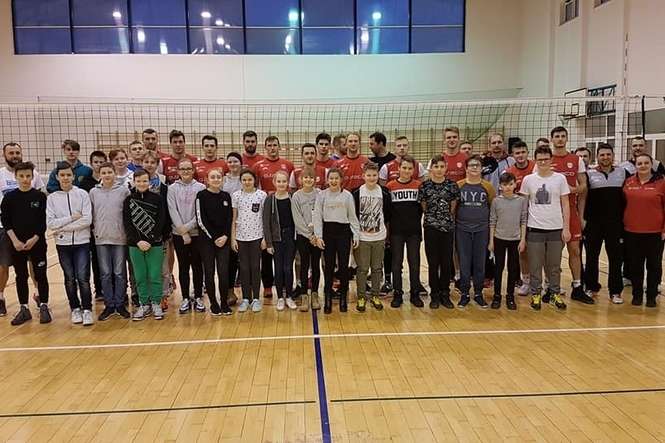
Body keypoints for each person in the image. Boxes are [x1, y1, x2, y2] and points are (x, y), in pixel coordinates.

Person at [520, 145, 570, 311]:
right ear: (535, 160)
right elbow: (524, 207)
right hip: (534, 228)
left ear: (551, 160)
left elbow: (565, 204)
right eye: (539, 160)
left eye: (546, 159)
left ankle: (554, 293)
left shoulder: (560, 179)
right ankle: (536, 294)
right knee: (535, 265)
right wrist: (522, 232)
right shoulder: (528, 180)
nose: (543, 162)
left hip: (556, 228)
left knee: (554, 265)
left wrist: (566, 228)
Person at [0, 143, 46, 317]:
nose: (15, 155)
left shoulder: (35, 180)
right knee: (7, 267)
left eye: (17, 152)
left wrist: (36, 235)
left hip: (33, 234)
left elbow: (40, 210)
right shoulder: (2, 179)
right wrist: (13, 237)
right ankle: (4, 299)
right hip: (9, 232)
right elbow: (5, 216)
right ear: (4, 155)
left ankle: (40, 298)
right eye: (11, 153)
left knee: (36, 268)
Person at [46, 162, 94, 325]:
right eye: (62, 175)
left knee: (83, 278)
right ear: (57, 177)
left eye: (68, 175)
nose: (65, 178)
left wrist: (62, 227)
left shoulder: (82, 194)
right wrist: (72, 218)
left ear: (73, 176)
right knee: (69, 278)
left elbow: (87, 220)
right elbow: (51, 223)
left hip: (82, 242)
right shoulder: (52, 199)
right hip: (63, 245)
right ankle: (75, 308)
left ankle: (87, 309)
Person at [550, 126, 592, 304]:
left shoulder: (576, 160)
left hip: (572, 212)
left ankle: (577, 287)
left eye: (563, 136)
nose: (560, 139)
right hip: (552, 213)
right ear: (552, 139)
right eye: (557, 136)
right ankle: (551, 287)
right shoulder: (547, 159)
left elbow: (583, 186)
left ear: (567, 138)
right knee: (553, 254)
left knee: (575, 250)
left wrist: (572, 190)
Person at [584, 143, 629, 304]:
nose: (605, 157)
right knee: (591, 257)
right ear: (597, 157)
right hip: (593, 223)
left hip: (615, 223)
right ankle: (591, 287)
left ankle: (615, 292)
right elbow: (584, 199)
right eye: (602, 155)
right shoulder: (589, 174)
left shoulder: (622, 172)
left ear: (613, 156)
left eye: (608, 154)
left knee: (616, 258)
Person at [253, 136, 295, 298]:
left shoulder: (288, 165)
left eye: (275, 145)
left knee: (285, 264)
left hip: (285, 213)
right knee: (267, 256)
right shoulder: (258, 166)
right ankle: (268, 286)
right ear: (265, 147)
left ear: (279, 146)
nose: (272, 148)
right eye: (269, 145)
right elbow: (254, 187)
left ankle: (286, 289)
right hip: (268, 209)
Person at [314, 168, 360, 314]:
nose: (333, 181)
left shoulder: (347, 196)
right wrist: (318, 236)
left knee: (344, 266)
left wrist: (356, 234)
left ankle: (343, 298)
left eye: (336, 178)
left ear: (341, 180)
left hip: (343, 232)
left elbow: (352, 217)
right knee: (328, 266)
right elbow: (317, 216)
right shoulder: (321, 195)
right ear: (327, 180)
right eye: (331, 178)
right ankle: (327, 297)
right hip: (328, 232)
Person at [123, 169, 167, 321]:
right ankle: (144, 304)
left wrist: (150, 239)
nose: (142, 183)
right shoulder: (128, 200)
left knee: (155, 275)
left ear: (149, 182)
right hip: (135, 245)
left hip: (154, 244)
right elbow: (127, 223)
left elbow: (161, 220)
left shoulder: (157, 199)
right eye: (139, 181)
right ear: (134, 182)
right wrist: (138, 241)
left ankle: (156, 303)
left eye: (145, 181)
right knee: (140, 276)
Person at [89, 162, 131, 320]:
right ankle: (109, 305)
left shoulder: (123, 191)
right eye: (104, 172)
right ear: (100, 175)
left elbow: (128, 213)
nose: (107, 175)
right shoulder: (94, 192)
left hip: (119, 237)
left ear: (114, 173)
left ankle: (120, 304)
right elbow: (91, 214)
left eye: (109, 172)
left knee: (119, 273)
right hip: (101, 238)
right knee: (105, 273)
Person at [623, 153, 665, 307]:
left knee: (654, 265)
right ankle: (637, 295)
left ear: (651, 164)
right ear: (635, 166)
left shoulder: (661, 183)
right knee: (635, 266)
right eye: (639, 163)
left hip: (655, 232)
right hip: (632, 231)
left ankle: (652, 296)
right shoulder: (628, 182)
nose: (643, 166)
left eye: (646, 163)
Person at [419, 155, 460, 309]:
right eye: (436, 166)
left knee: (446, 262)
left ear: (446, 168)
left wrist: (445, 218)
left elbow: (453, 205)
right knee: (433, 262)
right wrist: (433, 218)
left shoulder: (452, 185)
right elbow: (424, 206)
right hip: (431, 227)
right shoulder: (425, 186)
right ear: (431, 169)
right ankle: (434, 294)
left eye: (442, 166)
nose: (439, 169)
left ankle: (445, 294)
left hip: (447, 228)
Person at [167, 158, 206, 314]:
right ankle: (184, 298)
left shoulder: (201, 187)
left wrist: (188, 228)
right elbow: (172, 210)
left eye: (188, 168)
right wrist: (182, 232)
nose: (186, 171)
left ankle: (198, 296)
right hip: (179, 234)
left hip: (196, 234)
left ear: (193, 170)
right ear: (178, 171)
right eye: (182, 169)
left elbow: (200, 213)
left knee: (197, 266)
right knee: (183, 266)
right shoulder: (172, 189)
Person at [455, 155, 494, 308]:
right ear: (466, 168)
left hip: (482, 230)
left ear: (482, 168)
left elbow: (492, 208)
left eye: (477, 165)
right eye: (471, 165)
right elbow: (454, 207)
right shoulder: (459, 185)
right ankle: (464, 293)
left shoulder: (488, 187)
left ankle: (478, 293)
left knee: (480, 262)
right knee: (464, 262)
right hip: (462, 229)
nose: (474, 168)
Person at [385, 156, 424, 308]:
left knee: (414, 263)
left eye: (410, 168)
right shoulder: (390, 186)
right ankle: (397, 294)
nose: (407, 171)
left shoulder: (418, 186)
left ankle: (415, 293)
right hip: (396, 232)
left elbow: (422, 209)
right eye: (404, 168)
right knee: (396, 264)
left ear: (413, 170)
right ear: (398, 169)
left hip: (414, 231)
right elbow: (388, 212)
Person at [352, 162, 391, 312]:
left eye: (374, 175)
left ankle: (375, 295)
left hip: (379, 237)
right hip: (362, 238)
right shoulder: (356, 193)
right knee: (362, 269)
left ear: (378, 176)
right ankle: (361, 296)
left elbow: (387, 215)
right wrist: (354, 236)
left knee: (377, 268)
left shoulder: (384, 193)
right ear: (363, 176)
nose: (372, 178)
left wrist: (386, 235)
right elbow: (353, 216)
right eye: (368, 175)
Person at [195, 168, 233, 316]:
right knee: (209, 272)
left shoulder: (226, 196)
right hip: (207, 241)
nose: (216, 179)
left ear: (222, 179)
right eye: (213, 177)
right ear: (207, 180)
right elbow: (201, 219)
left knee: (223, 272)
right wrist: (215, 237)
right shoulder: (201, 196)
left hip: (224, 241)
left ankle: (224, 303)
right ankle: (213, 304)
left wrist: (225, 236)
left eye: (218, 177)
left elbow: (230, 218)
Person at [488, 172, 527, 310]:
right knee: (498, 268)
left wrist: (523, 239)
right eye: (505, 185)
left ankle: (510, 296)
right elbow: (492, 221)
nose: (508, 187)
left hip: (515, 239)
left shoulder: (521, 201)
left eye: (511, 184)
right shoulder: (496, 201)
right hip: (499, 238)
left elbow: (523, 220)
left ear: (515, 185)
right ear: (500, 186)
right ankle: (497, 296)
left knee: (513, 268)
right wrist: (491, 241)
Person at [231, 169, 267, 313]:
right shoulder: (236, 195)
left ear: (254, 180)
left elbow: (264, 218)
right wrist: (233, 238)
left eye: (249, 179)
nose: (247, 182)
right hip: (241, 237)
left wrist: (265, 238)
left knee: (255, 267)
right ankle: (246, 298)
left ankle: (256, 298)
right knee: (244, 268)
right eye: (244, 180)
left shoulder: (261, 195)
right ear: (241, 181)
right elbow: (234, 218)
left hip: (257, 237)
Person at [263, 171, 298, 311]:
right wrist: (269, 243)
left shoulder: (292, 198)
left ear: (288, 183)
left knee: (288, 268)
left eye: (284, 181)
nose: (282, 184)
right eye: (279, 181)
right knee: (278, 269)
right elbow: (266, 222)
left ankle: (289, 296)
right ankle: (280, 298)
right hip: (276, 239)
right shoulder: (270, 200)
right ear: (274, 182)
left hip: (290, 237)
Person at [141, 151, 172, 308]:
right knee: (146, 268)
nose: (149, 165)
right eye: (146, 162)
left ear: (157, 164)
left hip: (161, 232)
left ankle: (163, 295)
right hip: (142, 233)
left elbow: (167, 208)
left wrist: (165, 230)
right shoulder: (135, 183)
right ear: (142, 163)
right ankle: (147, 296)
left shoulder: (164, 183)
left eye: (152, 162)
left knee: (163, 268)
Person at [505, 140, 534, 295]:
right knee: (522, 250)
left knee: (539, 251)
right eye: (517, 153)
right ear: (513, 155)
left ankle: (546, 282)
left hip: (537, 215)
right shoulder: (509, 172)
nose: (520, 155)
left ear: (528, 152)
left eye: (523, 152)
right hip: (518, 217)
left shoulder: (535, 167)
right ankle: (526, 281)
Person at [291, 167, 322, 312]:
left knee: (315, 264)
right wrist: (309, 235)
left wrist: (317, 234)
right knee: (304, 264)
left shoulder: (320, 194)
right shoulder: (296, 196)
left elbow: (322, 214)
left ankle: (314, 294)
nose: (308, 180)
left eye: (311, 177)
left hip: (317, 236)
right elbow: (297, 219)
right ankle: (304, 295)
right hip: (303, 237)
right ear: (300, 180)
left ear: (315, 179)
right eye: (305, 177)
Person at [224, 152, 243, 305]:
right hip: (228, 222)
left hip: (246, 222)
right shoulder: (223, 180)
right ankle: (229, 291)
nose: (232, 164)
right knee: (230, 260)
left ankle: (250, 293)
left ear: (241, 163)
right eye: (230, 162)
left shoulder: (247, 178)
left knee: (246, 261)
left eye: (235, 161)